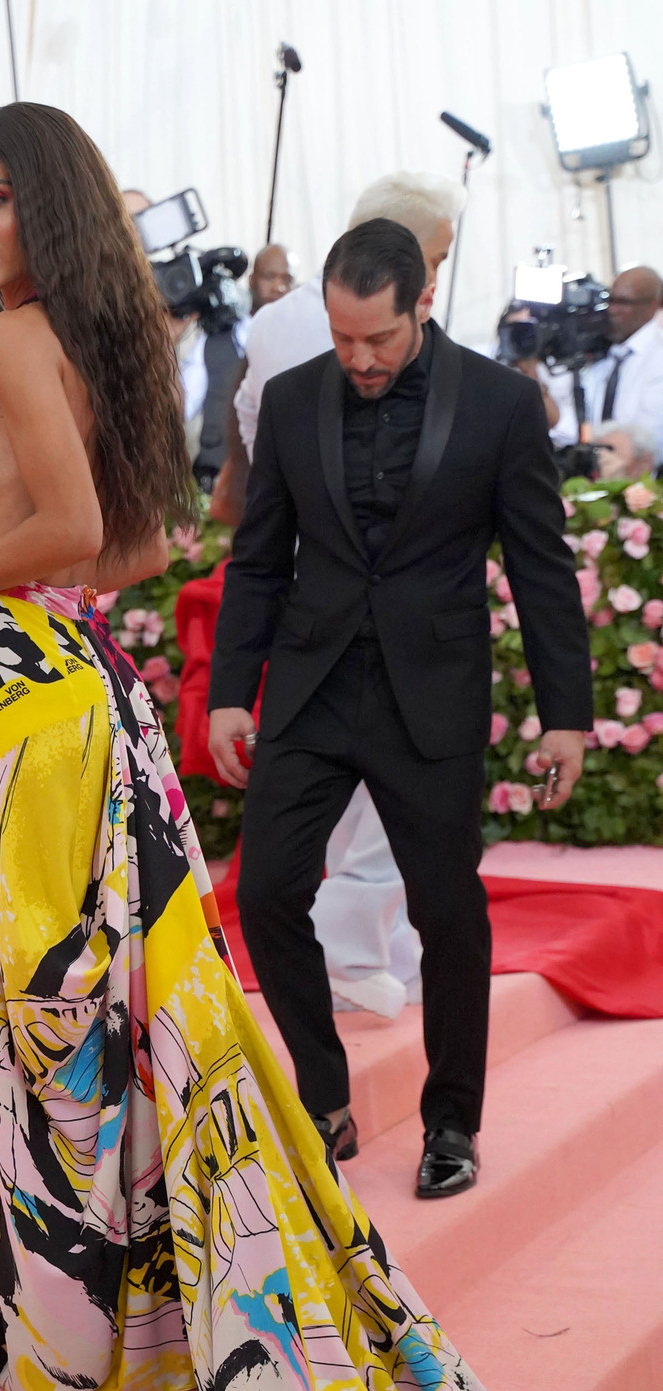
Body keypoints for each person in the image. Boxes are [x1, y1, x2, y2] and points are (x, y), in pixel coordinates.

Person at [0, 98, 663, 1391]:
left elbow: (84, 534)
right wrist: (140, 652)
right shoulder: (167, 355)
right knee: (178, 972)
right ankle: (165, 1255)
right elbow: (182, 545)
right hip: (176, 691)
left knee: (82, 1013)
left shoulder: (36, 338)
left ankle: (124, 1299)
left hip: (103, 703)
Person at [209, 218, 593, 1198]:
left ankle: (452, 1122)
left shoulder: (503, 405)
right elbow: (257, 562)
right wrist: (224, 695)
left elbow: (542, 569)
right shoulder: (294, 402)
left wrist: (567, 715)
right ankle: (324, 1091)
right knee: (262, 895)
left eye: (376, 338)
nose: (359, 358)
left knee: (449, 916)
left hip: (431, 694)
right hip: (314, 686)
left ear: (422, 303)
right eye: (343, 339)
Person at [234, 170, 464, 1025]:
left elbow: (251, 440)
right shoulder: (384, 330)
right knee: (368, 801)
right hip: (363, 584)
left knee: (339, 793)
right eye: (433, 260)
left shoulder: (268, 323)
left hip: (303, 578)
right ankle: (359, 952)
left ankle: (367, 947)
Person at [552, 265, 663, 469]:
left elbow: (651, 440)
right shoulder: (601, 354)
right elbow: (577, 424)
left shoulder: (658, 358)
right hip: (596, 473)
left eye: (624, 302)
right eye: (610, 300)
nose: (612, 310)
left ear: (652, 305)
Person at [248, 242, 292, 312]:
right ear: (251, 280)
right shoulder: (234, 321)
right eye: (269, 277)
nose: (279, 288)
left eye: (287, 279)